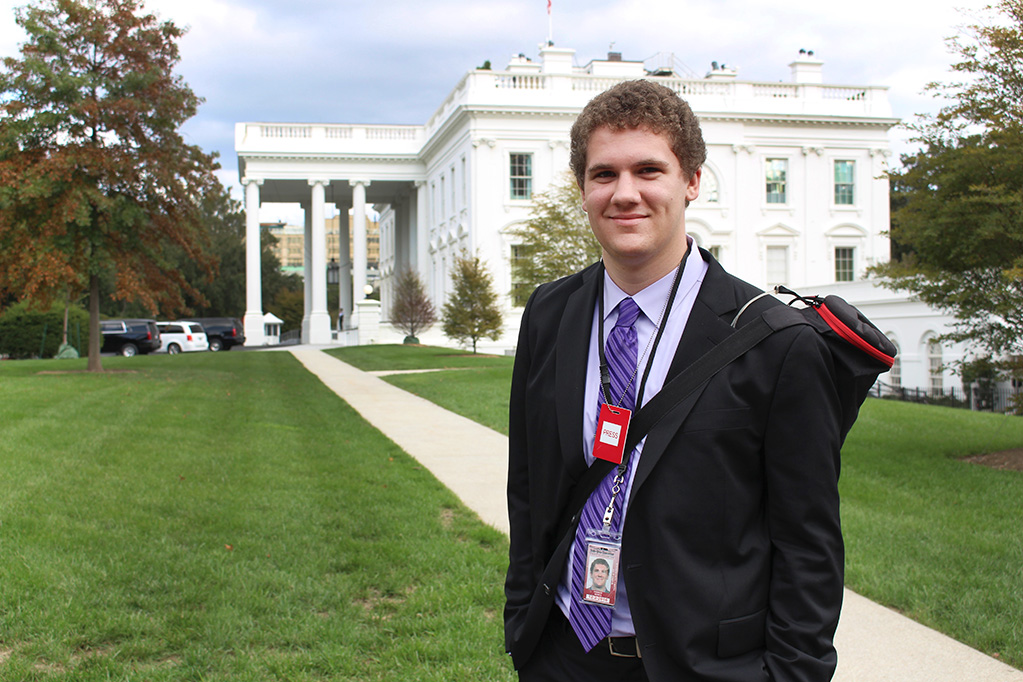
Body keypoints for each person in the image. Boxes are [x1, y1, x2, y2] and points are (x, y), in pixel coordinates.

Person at [504, 79, 846, 682]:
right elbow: (528, 487)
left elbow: (808, 544)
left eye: (649, 170)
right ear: (583, 188)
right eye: (603, 174)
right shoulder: (549, 314)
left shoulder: (774, 341)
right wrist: (522, 626)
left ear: (690, 181)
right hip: (562, 654)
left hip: (704, 665)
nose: (625, 194)